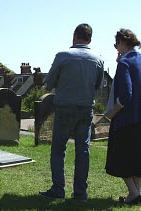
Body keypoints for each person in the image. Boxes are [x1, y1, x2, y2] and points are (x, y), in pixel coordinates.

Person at [39, 23, 104, 202]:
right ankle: (81, 193)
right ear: (90, 39)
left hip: (65, 107)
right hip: (86, 109)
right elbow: (98, 85)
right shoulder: (98, 59)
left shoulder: (62, 56)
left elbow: (49, 83)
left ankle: (58, 189)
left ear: (74, 36)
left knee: (58, 149)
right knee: (83, 150)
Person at [104, 28, 141, 205]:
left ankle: (134, 192)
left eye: (116, 44)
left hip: (126, 119)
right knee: (138, 159)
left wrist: (113, 112)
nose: (116, 48)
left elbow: (125, 94)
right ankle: (134, 195)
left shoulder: (124, 63)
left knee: (121, 157)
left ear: (121, 42)